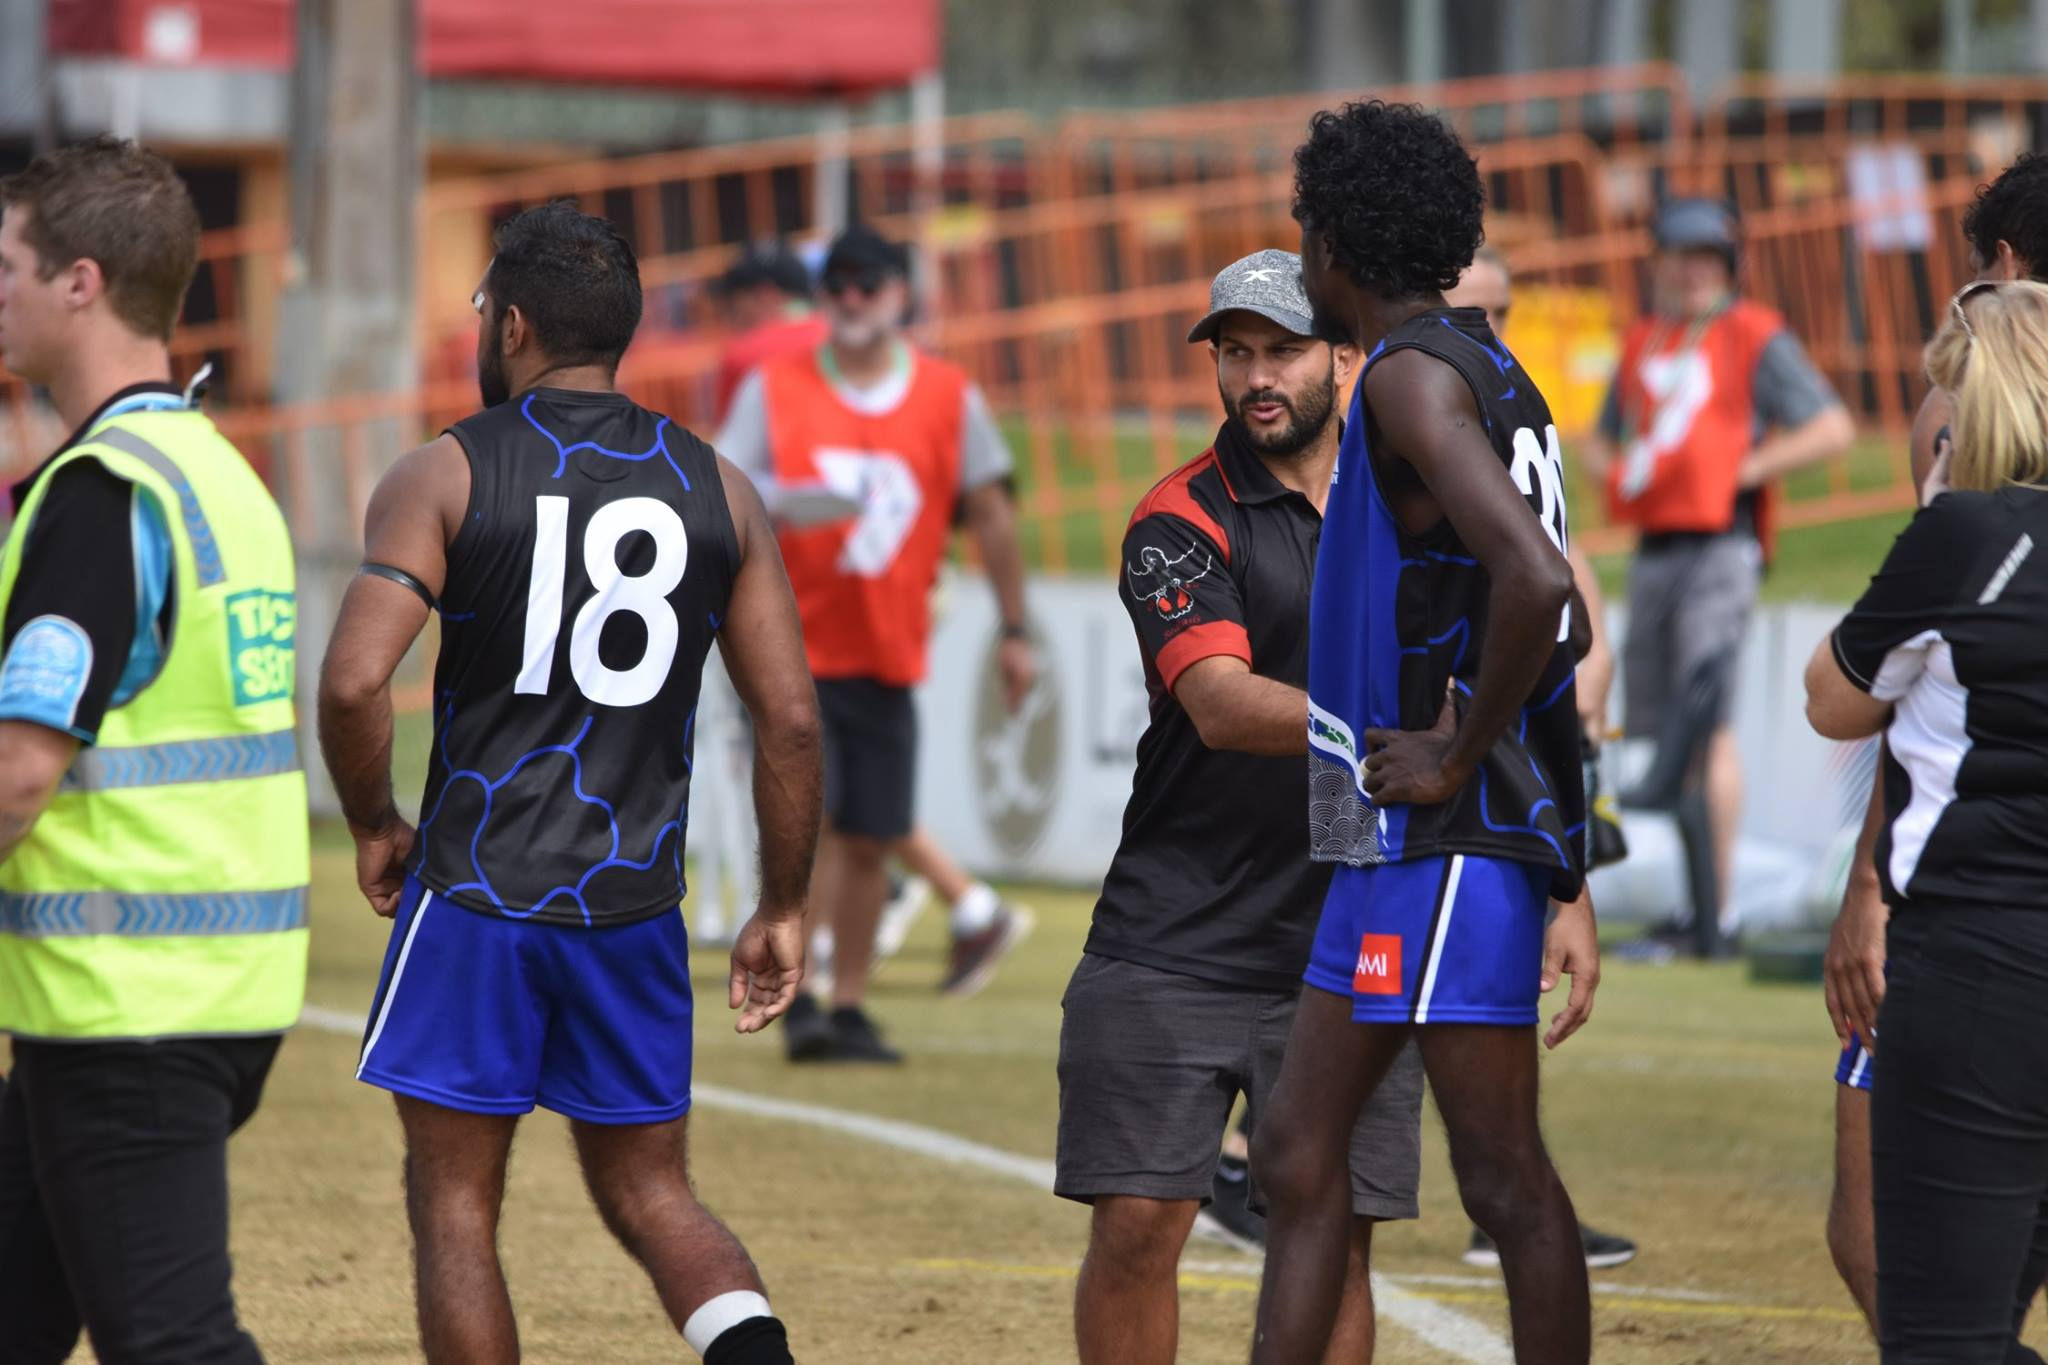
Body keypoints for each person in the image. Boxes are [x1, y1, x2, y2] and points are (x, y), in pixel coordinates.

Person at [317, 202, 820, 1365]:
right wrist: (783, 905)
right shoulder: (717, 486)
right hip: (631, 904)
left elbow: (352, 684)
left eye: (482, 309)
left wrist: (375, 822)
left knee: (454, 1206)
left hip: (476, 893)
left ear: (513, 326)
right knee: (652, 1193)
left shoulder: (444, 471)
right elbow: (791, 720)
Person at [1249, 101, 1602, 1365]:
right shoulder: (1486, 367)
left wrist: (1455, 758)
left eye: (1303, 226)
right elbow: (1557, 611)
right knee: (1294, 1146)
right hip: (1402, 834)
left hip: (1443, 834)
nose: (1299, 250)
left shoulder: (1406, 377)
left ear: (1335, 240)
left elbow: (1538, 585)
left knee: (1499, 1179)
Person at [1058, 250, 1425, 1365]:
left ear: (1345, 359)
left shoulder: (1414, 499)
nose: (1255, 377)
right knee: (1136, 1225)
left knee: (1334, 1241)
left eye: (1282, 351)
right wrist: (1396, 738)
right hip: (1174, 932)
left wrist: (1559, 881)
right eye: (1234, 352)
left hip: (1352, 931)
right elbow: (1219, 703)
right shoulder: (1177, 518)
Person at [0, 136, 309, 1363]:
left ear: (79, 283)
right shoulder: (218, 476)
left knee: (172, 1344)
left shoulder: (100, 491)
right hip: (200, 991)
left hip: (126, 1006)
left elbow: (21, 772)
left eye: (6, 266)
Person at [1822, 154, 2048, 1352]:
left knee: (1892, 1260)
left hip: (1970, 933)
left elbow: (1895, 693)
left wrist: (1865, 891)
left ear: (2000, 266)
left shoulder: (1960, 442)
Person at [717, 222, 1035, 1061]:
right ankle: (801, 992)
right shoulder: (774, 387)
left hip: (889, 649)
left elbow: (993, 512)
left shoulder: (947, 394)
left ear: (901, 295)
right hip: (788, 649)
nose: (853, 300)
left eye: (870, 284)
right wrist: (781, 500)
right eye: (839, 286)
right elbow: (720, 489)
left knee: (870, 834)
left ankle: (848, 1002)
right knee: (808, 828)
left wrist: (1015, 628)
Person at [1585, 197, 1855, 945]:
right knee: (1665, 735)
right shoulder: (1645, 338)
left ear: (1728, 266)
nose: (1693, 272)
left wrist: (1740, 470)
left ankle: (1721, 909)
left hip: (1720, 546)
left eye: (1707, 258)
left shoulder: (1753, 333)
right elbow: (1602, 438)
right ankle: (1693, 902)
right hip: (1655, 546)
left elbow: (1831, 426)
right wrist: (1626, 474)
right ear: (1659, 263)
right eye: (1681, 256)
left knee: (1708, 722)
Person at [1441, 248, 1637, 1274]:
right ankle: (1514, 1203)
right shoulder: (1414, 394)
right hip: (1431, 750)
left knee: (1480, 981)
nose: (1496, 333)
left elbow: (1556, 550)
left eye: (1505, 311)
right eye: (1474, 312)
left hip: (1491, 748)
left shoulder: (1505, 404)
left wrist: (1588, 655)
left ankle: (1510, 1201)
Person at [712, 239, 825, 423]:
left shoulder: (742, 354)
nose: (730, 315)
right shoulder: (840, 336)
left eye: (733, 303)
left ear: (766, 295)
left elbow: (730, 431)